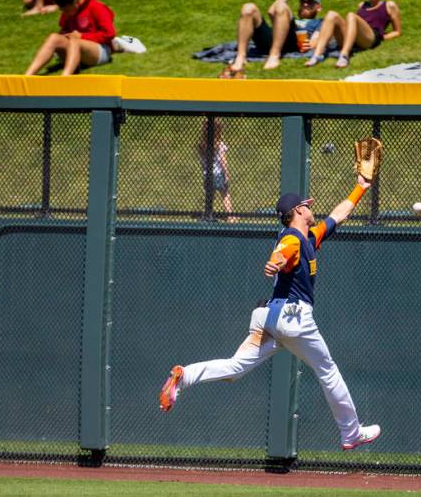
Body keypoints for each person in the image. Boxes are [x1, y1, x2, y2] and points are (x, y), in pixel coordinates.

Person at [158, 182, 382, 453]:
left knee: (235, 367)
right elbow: (284, 251)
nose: (312, 208)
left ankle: (184, 376)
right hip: (294, 318)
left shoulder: (310, 237)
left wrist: (360, 187)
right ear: (299, 210)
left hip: (269, 317)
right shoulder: (292, 238)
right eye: (308, 205)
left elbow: (339, 214)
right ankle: (351, 432)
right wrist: (275, 260)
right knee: (328, 371)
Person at [219, 0, 323, 79]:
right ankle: (240, 57)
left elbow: (314, 42)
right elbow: (272, 10)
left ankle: (274, 55)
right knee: (248, 7)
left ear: (318, 7)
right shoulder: (290, 18)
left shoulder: (320, 22)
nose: (305, 4)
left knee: (281, 6)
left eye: (310, 2)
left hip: (292, 43)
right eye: (303, 1)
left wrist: (308, 44)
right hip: (273, 39)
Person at [24, 0, 116, 77]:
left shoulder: (96, 6)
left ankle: (65, 77)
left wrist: (82, 36)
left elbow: (109, 33)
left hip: (101, 51)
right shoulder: (68, 10)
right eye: (63, 11)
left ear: (76, 2)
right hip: (76, 48)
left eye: (67, 10)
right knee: (53, 37)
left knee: (74, 41)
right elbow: (64, 30)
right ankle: (28, 75)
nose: (65, 14)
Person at [307, 0, 401, 70]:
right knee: (332, 14)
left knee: (351, 15)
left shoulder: (389, 5)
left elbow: (397, 31)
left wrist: (383, 37)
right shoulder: (362, 5)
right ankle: (317, 55)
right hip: (356, 38)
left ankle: (344, 55)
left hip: (370, 37)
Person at [198, 117, 234, 221]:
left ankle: (208, 213)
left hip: (207, 174)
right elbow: (223, 161)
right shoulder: (220, 145)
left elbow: (202, 160)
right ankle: (230, 216)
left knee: (210, 196)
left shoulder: (202, 145)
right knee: (225, 194)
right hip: (218, 174)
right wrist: (226, 174)